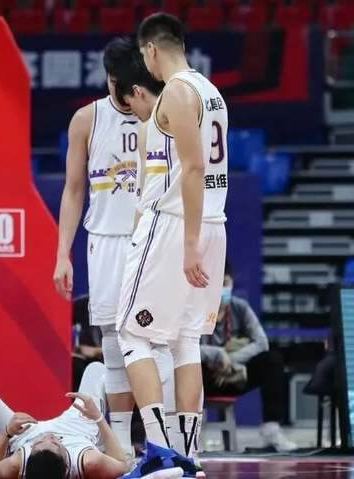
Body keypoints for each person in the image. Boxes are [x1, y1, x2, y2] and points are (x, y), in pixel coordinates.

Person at [115, 13, 228, 477]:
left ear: (151, 50)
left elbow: (194, 168)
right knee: (185, 340)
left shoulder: (178, 92)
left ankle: (159, 452)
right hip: (214, 222)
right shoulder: (211, 90)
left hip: (177, 226)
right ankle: (187, 454)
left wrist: (188, 243)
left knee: (130, 333)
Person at [52, 36, 164, 458]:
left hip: (151, 238)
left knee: (157, 343)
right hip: (106, 242)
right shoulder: (87, 118)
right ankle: (120, 444)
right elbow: (73, 190)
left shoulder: (160, 112)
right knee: (114, 346)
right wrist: (62, 253)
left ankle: (163, 441)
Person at [0, 362, 184, 479]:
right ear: (66, 460)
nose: (48, 437)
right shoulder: (87, 462)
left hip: (22, 433)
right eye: (54, 443)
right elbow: (120, 464)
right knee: (98, 369)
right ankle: (148, 442)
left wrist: (6, 434)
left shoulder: (19, 463)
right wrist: (99, 418)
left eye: (42, 443)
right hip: (79, 426)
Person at [201, 265, 296, 452]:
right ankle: (191, 437)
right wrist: (216, 354)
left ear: (232, 283)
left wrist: (231, 358)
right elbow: (183, 348)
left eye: (225, 283)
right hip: (202, 378)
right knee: (187, 366)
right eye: (216, 283)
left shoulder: (240, 308)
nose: (221, 289)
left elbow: (262, 342)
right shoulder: (194, 308)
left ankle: (271, 430)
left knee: (272, 359)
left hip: (232, 375)